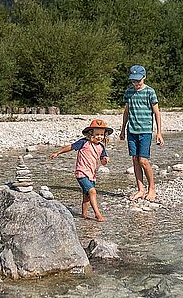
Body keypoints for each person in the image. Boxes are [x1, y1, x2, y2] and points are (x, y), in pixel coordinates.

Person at [49, 119, 112, 222]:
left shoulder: (101, 147)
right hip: (81, 173)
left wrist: (105, 160)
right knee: (92, 192)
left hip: (92, 174)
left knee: (86, 196)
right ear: (91, 133)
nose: (99, 137)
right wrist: (58, 152)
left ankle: (84, 214)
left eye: (101, 134)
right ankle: (98, 214)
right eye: (97, 134)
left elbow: (103, 162)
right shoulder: (83, 142)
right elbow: (71, 147)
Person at [120, 65, 164, 201]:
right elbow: (126, 112)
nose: (136, 83)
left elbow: (156, 112)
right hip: (131, 130)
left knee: (143, 160)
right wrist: (122, 130)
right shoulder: (128, 92)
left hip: (145, 131)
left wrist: (159, 133)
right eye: (133, 81)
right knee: (134, 159)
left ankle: (152, 188)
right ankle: (140, 189)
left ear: (144, 77)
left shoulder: (150, 92)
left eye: (138, 80)